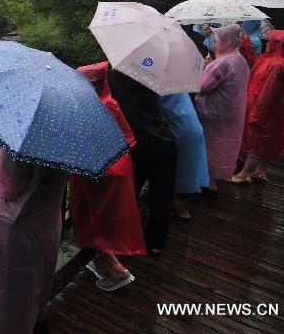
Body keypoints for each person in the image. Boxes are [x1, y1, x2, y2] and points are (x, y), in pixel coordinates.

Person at [0, 134, 67, 334]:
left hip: (15, 231)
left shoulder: (22, 133)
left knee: (7, 295)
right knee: (35, 287)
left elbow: (7, 184)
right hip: (46, 222)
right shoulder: (67, 129)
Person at [69, 62, 145, 291]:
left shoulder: (87, 108)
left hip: (99, 173)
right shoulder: (110, 102)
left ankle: (117, 270)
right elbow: (128, 138)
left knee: (95, 219)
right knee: (108, 218)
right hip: (119, 168)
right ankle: (103, 261)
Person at [107, 69, 178, 256]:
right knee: (162, 198)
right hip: (163, 140)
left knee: (128, 195)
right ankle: (155, 243)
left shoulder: (113, 77)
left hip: (138, 145)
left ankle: (123, 242)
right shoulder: (153, 76)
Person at [233, 30, 284, 183]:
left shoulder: (277, 65)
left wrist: (257, 114)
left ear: (277, 44)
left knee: (257, 140)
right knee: (266, 140)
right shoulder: (273, 59)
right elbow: (254, 62)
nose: (267, 43)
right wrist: (245, 44)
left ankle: (245, 173)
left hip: (262, 109)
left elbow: (268, 93)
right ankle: (260, 171)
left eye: (270, 41)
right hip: (261, 108)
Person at [194, 24, 251, 192]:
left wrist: (204, 68)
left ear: (227, 42)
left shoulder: (224, 63)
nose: (214, 44)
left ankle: (205, 184)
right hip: (230, 113)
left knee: (209, 148)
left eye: (217, 40)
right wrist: (211, 65)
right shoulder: (239, 59)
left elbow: (202, 85)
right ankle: (212, 183)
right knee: (219, 148)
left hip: (215, 114)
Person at [158, 93, 209, 219]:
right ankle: (180, 207)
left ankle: (182, 212)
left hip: (182, 131)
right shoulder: (178, 85)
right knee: (191, 171)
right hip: (191, 127)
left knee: (184, 174)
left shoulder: (161, 87)